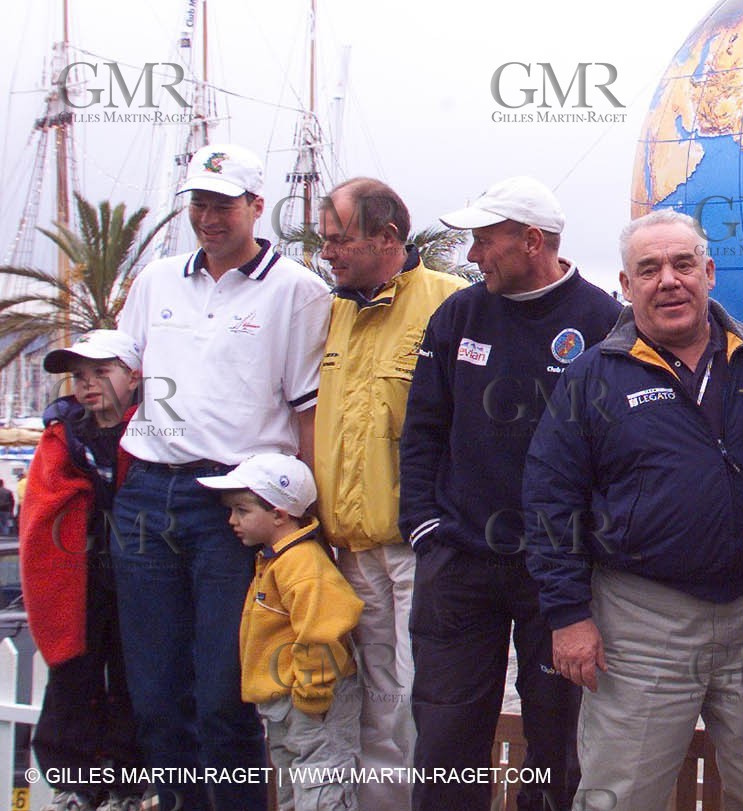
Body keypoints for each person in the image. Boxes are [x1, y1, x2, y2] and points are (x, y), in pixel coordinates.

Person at [524, 210, 743, 811]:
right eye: (649, 269)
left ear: (709, 272)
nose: (668, 280)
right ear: (625, 284)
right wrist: (567, 614)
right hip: (640, 627)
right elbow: (549, 495)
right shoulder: (594, 375)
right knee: (620, 795)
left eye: (683, 264)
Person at [113, 143, 331, 811]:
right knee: (153, 694)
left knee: (224, 696)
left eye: (222, 204)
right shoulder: (156, 279)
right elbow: (124, 368)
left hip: (234, 506)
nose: (208, 217)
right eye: (199, 203)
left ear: (255, 207)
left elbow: (308, 415)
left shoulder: (299, 289)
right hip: (147, 492)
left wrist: (309, 526)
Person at [399, 177, 619, 811]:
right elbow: (421, 430)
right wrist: (423, 527)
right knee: (444, 737)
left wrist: (590, 549)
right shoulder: (459, 315)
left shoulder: (603, 321)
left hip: (555, 577)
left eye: (483, 241)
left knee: (555, 743)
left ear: (532, 240)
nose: (472, 256)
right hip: (458, 563)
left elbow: (620, 449)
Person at [314, 177, 465, 811]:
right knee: (374, 708)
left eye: (339, 240)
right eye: (324, 242)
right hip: (349, 553)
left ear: (388, 239)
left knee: (424, 702)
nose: (328, 254)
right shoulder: (330, 312)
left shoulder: (452, 304)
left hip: (417, 552)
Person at [199, 453, 363, 811]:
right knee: (294, 791)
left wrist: (312, 696)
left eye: (242, 510)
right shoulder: (277, 559)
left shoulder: (302, 564)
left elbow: (323, 629)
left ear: (279, 513)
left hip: (310, 705)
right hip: (285, 705)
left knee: (322, 790)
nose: (231, 520)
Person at [26, 331, 146, 811]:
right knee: (72, 674)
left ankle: (128, 784)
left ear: (135, 376)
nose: (87, 385)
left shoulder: (155, 432)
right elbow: (44, 505)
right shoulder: (63, 436)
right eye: (79, 376)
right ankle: (73, 785)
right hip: (80, 573)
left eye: (102, 372)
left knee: (134, 673)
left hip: (138, 571)